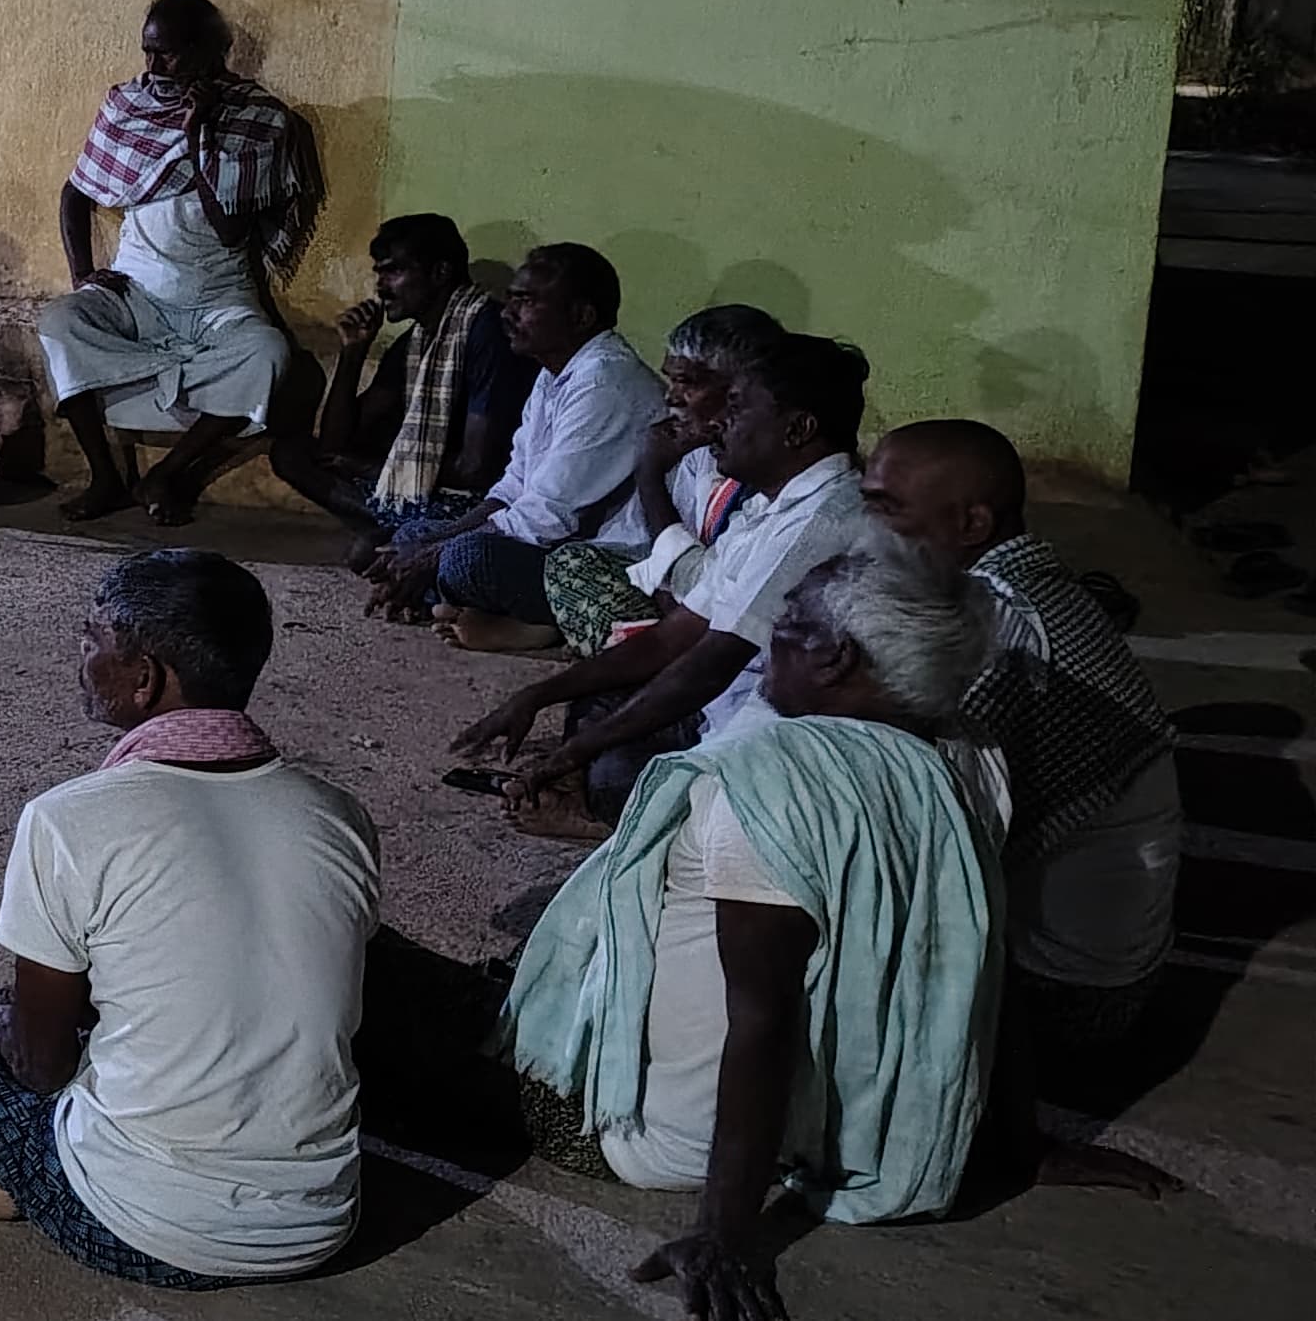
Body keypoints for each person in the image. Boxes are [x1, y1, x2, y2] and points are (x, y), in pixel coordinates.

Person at [0, 550, 377, 1289]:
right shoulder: (339, 816)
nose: (81, 661)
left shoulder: (72, 819)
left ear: (143, 678)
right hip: (322, 1221)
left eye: (90, 641)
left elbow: (38, 1069)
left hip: (138, 1223)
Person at [500, 545, 1011, 1321]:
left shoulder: (770, 779)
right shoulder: (970, 763)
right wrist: (1009, 1132)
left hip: (663, 1135)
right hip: (829, 1134)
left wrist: (724, 1233)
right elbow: (977, 960)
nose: (772, 630)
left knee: (391, 1007)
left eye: (792, 620)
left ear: (836, 657)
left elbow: (765, 1017)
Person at [862, 420, 1182, 1087]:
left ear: (972, 523)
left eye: (885, 507)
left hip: (1064, 1001)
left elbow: (935, 851)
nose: (865, 530)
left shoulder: (1001, 627)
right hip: (1100, 974)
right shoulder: (1013, 591)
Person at [451, 333, 871, 830]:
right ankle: (603, 796)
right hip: (717, 701)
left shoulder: (820, 522)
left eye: (736, 409)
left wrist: (576, 752)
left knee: (623, 768)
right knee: (599, 699)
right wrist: (537, 695)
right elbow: (678, 632)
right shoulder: (770, 505)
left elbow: (709, 665)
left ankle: (610, 817)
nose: (719, 423)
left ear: (798, 429)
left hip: (764, 728)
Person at [37, 0, 326, 525]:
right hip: (137, 295)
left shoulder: (257, 120)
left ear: (212, 51)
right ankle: (105, 477)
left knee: (269, 354)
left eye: (167, 53)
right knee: (59, 321)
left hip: (220, 300)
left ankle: (170, 473)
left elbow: (231, 228)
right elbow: (76, 193)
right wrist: (83, 275)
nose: (152, 66)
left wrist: (200, 138)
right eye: (147, 51)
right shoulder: (128, 107)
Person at [361, 244, 663, 649]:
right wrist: (425, 546)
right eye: (511, 299)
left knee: (466, 560)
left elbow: (543, 518)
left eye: (526, 301)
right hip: (557, 544)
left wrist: (433, 556)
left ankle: (543, 624)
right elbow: (513, 488)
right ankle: (491, 609)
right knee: (413, 536)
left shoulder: (603, 382)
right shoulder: (555, 373)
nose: (507, 313)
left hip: (605, 563)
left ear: (581, 316)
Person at [541, 305, 789, 656]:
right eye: (671, 380)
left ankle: (629, 654)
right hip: (684, 597)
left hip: (721, 625)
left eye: (688, 383)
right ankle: (631, 650)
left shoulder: (764, 470)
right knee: (572, 562)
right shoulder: (696, 450)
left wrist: (650, 475)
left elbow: (705, 596)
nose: (671, 396)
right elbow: (662, 560)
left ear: (740, 388)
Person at [267, 214, 527, 542]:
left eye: (394, 271)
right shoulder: (416, 340)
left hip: (478, 498)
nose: (381, 287)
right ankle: (393, 529)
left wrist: (371, 468)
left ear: (440, 273)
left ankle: (410, 535)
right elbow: (335, 444)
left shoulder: (487, 333)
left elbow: (477, 470)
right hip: (424, 482)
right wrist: (353, 353)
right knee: (293, 453)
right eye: (380, 272)